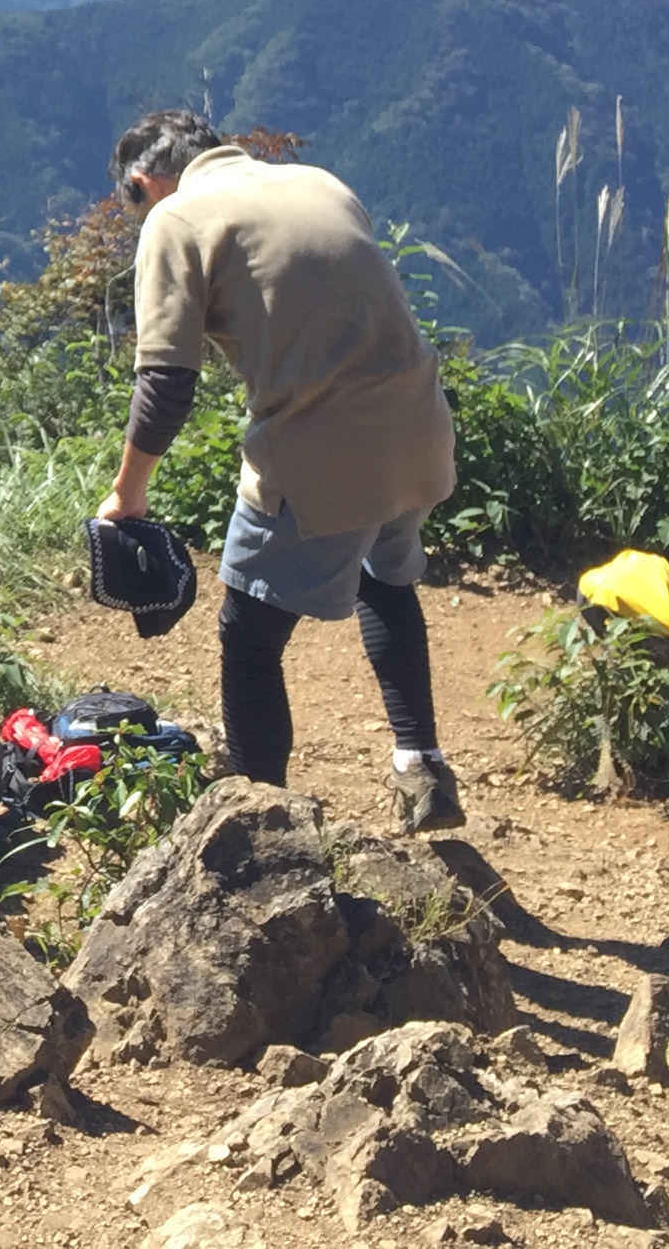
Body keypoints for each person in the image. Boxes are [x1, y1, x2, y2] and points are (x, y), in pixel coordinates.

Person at [94, 110, 465, 832]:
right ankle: (422, 767)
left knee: (249, 637)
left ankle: (263, 827)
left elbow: (166, 384)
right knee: (384, 582)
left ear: (143, 184)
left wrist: (126, 493)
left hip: (319, 452)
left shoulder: (177, 221)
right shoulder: (318, 181)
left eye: (132, 202)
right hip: (419, 425)